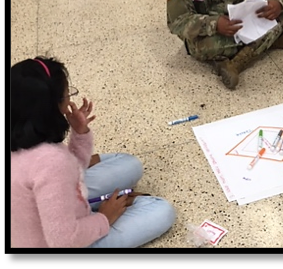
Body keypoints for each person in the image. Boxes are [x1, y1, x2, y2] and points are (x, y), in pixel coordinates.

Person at [11, 56, 177, 248]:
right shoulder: (51, 161)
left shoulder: (23, 136)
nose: (69, 103)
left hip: (42, 217)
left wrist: (80, 133)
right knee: (162, 210)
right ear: (51, 107)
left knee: (130, 164)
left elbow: (67, 174)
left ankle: (99, 204)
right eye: (67, 96)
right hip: (63, 241)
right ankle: (100, 208)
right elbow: (64, 240)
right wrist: (105, 217)